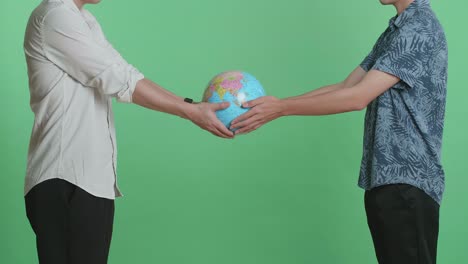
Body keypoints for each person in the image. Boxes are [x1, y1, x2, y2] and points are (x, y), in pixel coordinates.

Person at [232, 0, 447, 263]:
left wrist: (282, 108)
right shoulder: (396, 30)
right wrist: (276, 105)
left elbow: (357, 98)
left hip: (407, 182)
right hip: (385, 181)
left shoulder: (418, 28)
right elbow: (347, 85)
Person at [23, 0, 233, 263]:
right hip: (65, 177)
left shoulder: (84, 20)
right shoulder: (55, 16)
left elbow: (127, 74)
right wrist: (190, 112)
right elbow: (116, 79)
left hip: (90, 181)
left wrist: (191, 106)